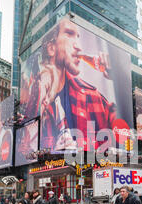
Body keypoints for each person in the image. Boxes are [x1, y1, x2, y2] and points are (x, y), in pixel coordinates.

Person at [38, 17, 117, 152]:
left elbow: (123, 134)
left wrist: (118, 74)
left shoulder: (91, 95)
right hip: (49, 170)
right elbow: (25, 147)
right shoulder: (34, 96)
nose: (79, 47)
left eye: (78, 37)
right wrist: (52, 150)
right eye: (69, 34)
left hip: (88, 170)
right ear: (52, 48)